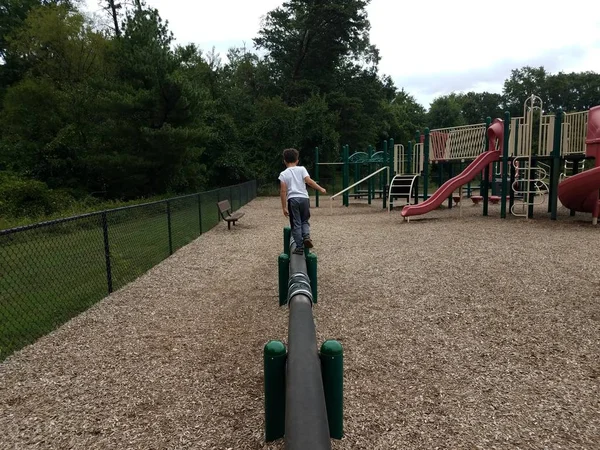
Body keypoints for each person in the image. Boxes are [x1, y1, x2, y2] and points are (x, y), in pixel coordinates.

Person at [278, 148, 326, 255]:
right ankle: (306, 236)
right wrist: (320, 188)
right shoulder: (302, 169)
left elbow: (283, 191)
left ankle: (299, 247)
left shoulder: (283, 174)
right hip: (304, 198)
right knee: (305, 220)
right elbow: (309, 181)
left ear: (284, 161)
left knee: (296, 223)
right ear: (297, 160)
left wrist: (284, 207)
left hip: (293, 199)